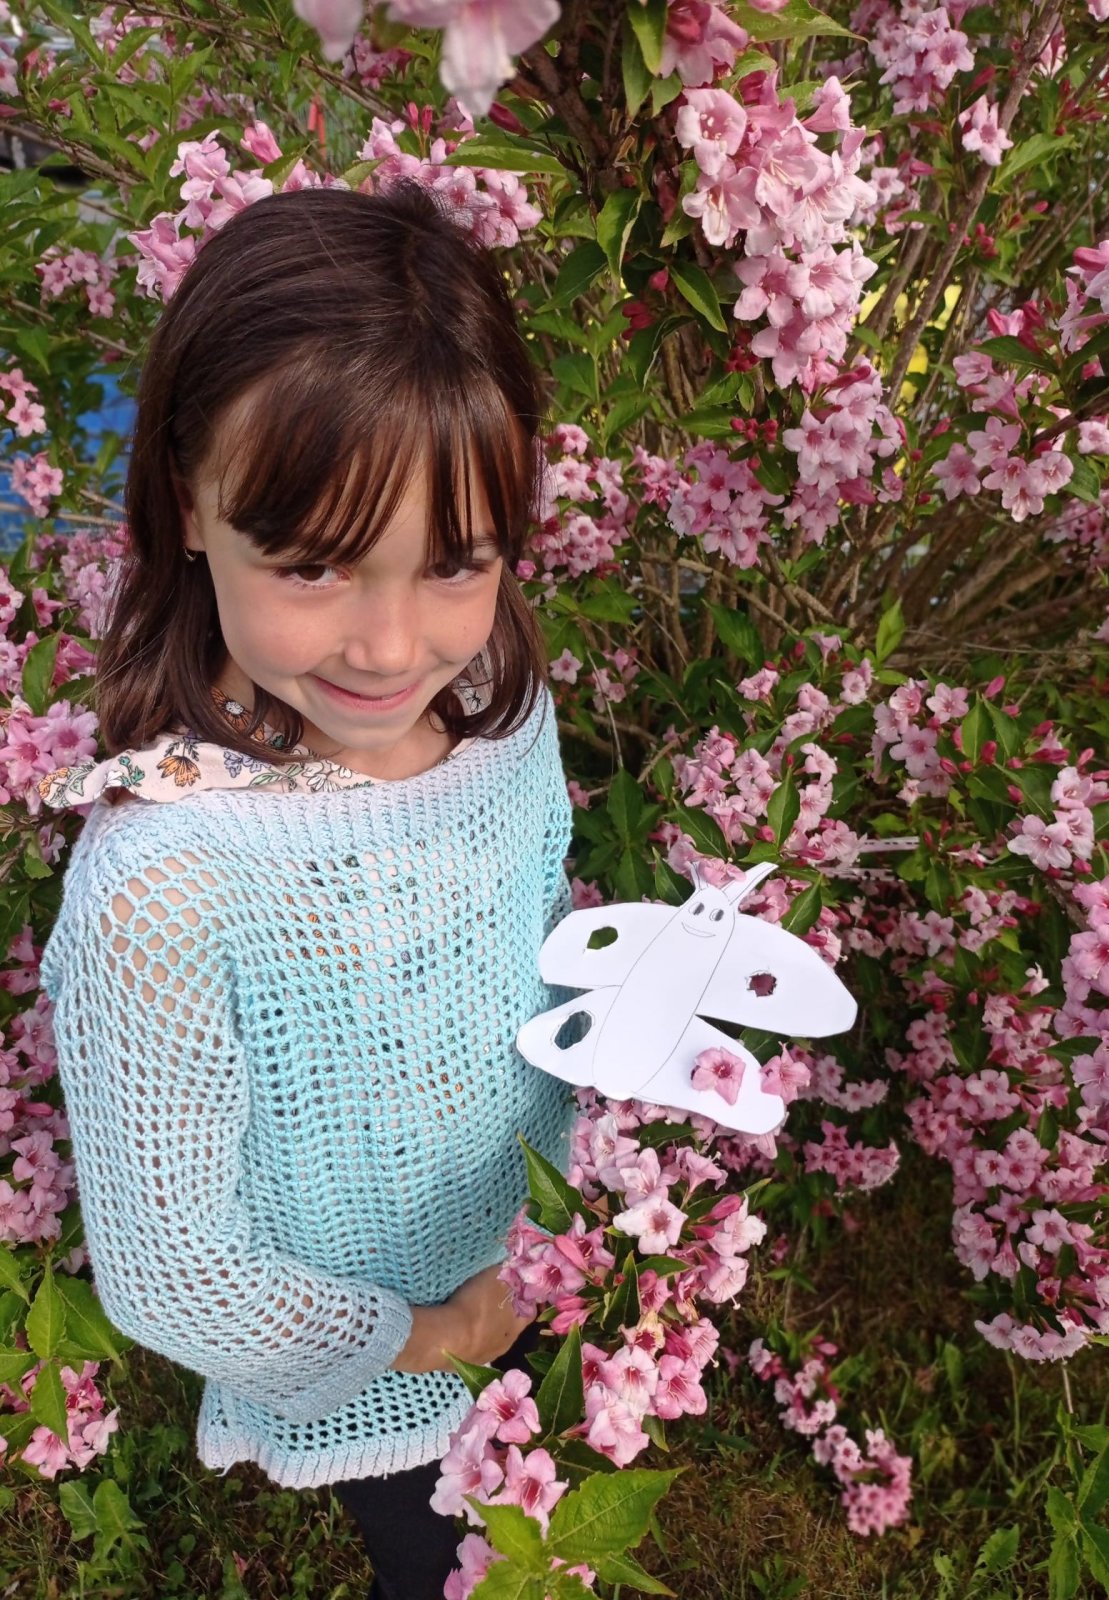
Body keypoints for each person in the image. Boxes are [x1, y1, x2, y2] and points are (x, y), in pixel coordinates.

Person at [36, 180, 579, 1600]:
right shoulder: (166, 886)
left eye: (456, 562)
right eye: (316, 565)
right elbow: (177, 1274)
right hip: (387, 1354)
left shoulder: (501, 717)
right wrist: (436, 1337)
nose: (392, 646)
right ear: (188, 506)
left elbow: (542, 934)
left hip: (543, 1248)